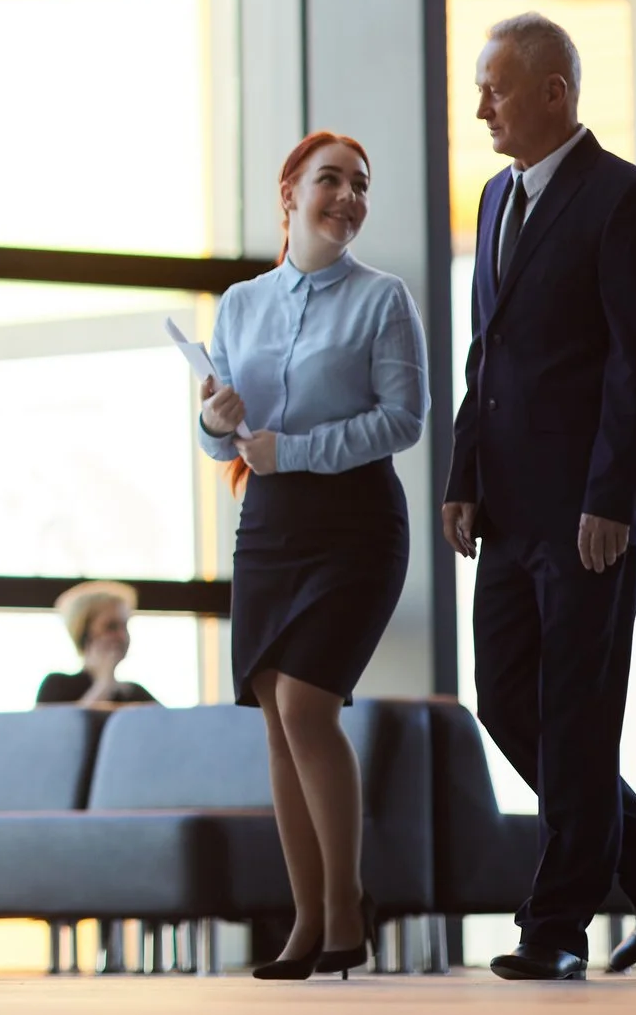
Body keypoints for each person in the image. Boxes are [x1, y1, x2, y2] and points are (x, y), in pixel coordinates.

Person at [443, 13, 636, 981]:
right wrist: (462, 476)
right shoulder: (494, 197)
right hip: (509, 509)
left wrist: (610, 495)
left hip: (590, 513)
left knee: (576, 710)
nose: (479, 104)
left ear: (553, 92)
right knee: (506, 699)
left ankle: (555, 925)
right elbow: (483, 353)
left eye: (493, 85)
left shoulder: (626, 201)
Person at [196, 131, 427, 980]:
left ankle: (344, 908)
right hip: (269, 526)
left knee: (304, 706)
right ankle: (308, 919)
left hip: (356, 525)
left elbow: (402, 420)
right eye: (331, 179)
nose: (349, 197)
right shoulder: (241, 302)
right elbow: (215, 423)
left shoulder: (384, 299)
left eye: (361, 185)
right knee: (277, 724)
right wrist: (216, 419)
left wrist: (290, 449)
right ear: (289, 188)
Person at [34, 581, 158, 708]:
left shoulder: (135, 693)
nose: (122, 636)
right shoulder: (57, 686)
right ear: (84, 635)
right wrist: (103, 686)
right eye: (111, 627)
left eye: (124, 626)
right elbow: (62, 727)